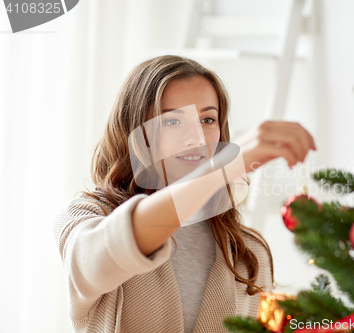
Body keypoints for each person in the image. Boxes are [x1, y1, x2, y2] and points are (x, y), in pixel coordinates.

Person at [53, 55, 316, 333]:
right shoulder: (85, 217)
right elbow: (111, 250)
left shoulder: (247, 253)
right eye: (172, 121)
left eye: (207, 119)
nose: (198, 139)